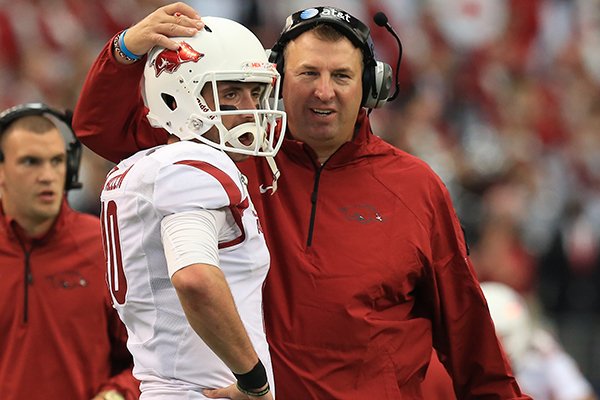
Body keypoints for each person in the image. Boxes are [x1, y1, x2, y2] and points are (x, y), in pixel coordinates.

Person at [73, 3, 530, 398]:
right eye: (308, 73)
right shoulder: (228, 153)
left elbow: (467, 333)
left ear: (372, 86)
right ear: (274, 80)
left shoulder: (416, 187)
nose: (323, 91)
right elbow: (102, 129)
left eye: (342, 75)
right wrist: (125, 49)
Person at [98, 15, 286, 400]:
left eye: (255, 92)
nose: (251, 109)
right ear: (176, 96)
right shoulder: (195, 166)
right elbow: (194, 278)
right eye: (231, 93)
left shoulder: (137, 168)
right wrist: (254, 382)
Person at [0, 102, 140, 400]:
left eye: (57, 161)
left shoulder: (104, 245)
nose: (48, 175)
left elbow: (152, 355)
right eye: (30, 162)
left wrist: (119, 393)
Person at [481, 281, 599, 400]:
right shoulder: (470, 369)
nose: (497, 345)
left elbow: (581, 395)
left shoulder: (540, 355)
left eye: (501, 337)